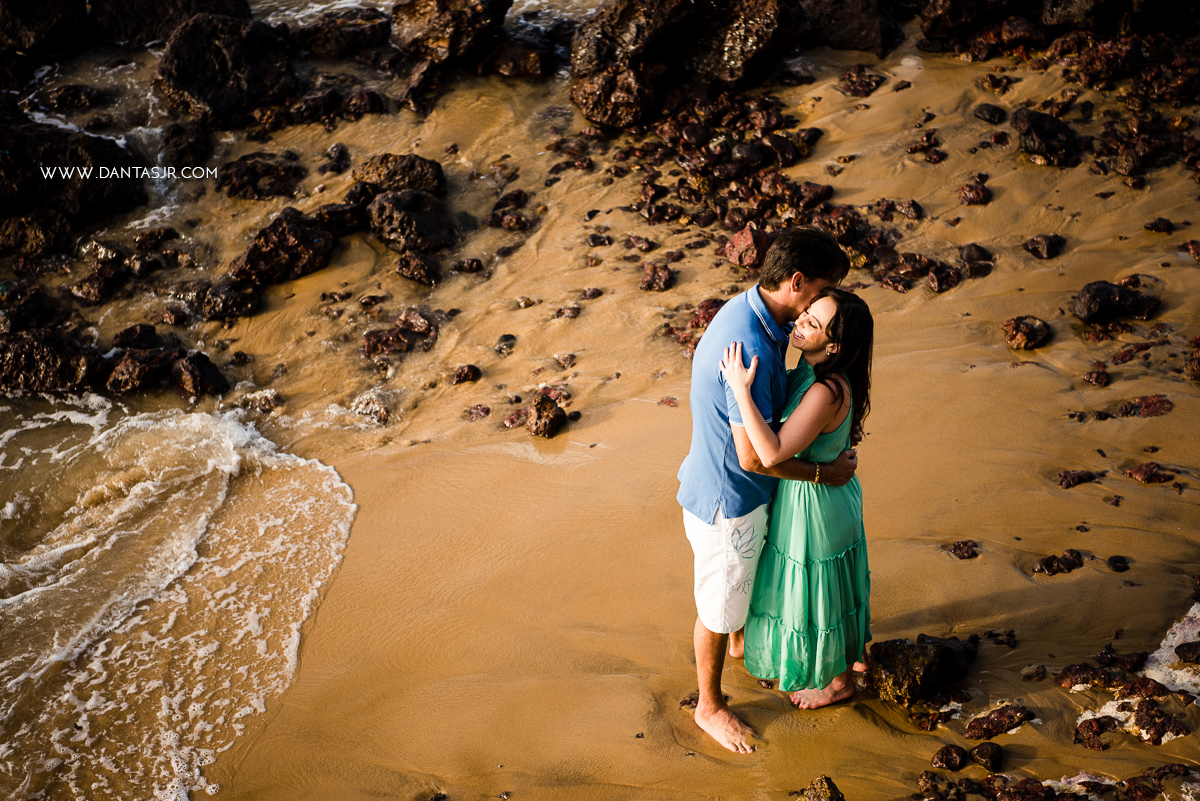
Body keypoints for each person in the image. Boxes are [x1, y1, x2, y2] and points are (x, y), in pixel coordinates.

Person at [676, 227, 858, 754]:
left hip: (715, 483)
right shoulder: (751, 344)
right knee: (715, 609)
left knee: (731, 599)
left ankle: (740, 644)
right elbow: (755, 456)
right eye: (825, 289)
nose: (825, 302)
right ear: (797, 282)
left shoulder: (756, 312)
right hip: (729, 503)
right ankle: (709, 707)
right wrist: (825, 474)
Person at [719, 286, 874, 711]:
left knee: (823, 588)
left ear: (834, 345)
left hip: (817, 504)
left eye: (813, 323)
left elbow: (769, 453)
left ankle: (839, 682)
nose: (799, 324)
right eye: (805, 313)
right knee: (829, 585)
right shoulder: (811, 371)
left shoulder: (825, 389)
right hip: (813, 494)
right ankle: (849, 662)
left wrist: (740, 391)